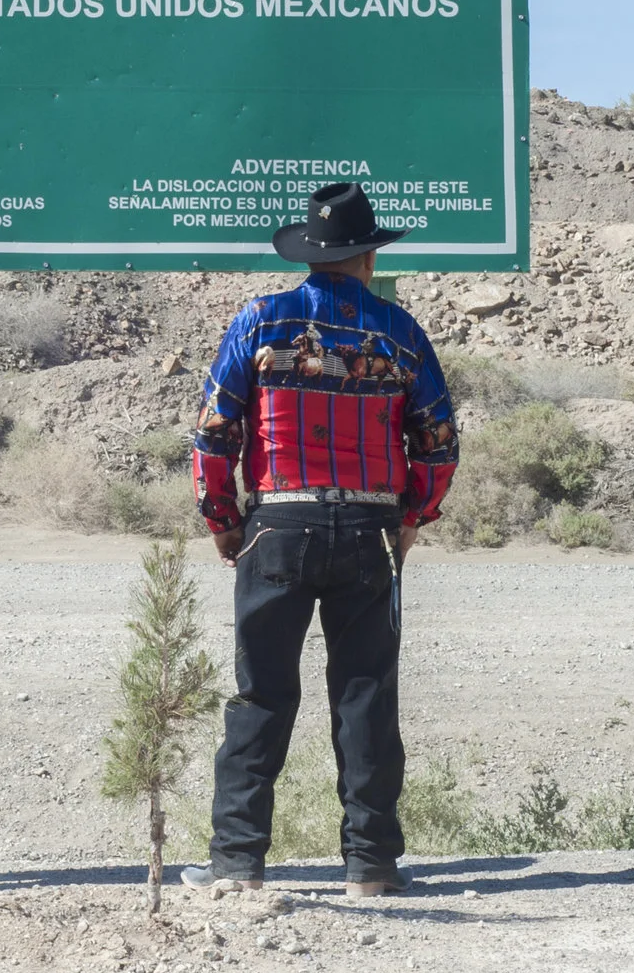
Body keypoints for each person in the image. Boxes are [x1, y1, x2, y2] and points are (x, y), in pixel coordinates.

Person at [182, 181, 459, 897]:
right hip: (369, 528)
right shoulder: (399, 331)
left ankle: (237, 862)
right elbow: (438, 439)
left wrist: (223, 520)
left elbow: (215, 431)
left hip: (279, 522)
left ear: (309, 254)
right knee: (366, 695)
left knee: (261, 694)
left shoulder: (260, 320)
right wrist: (413, 517)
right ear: (369, 258)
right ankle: (372, 864)